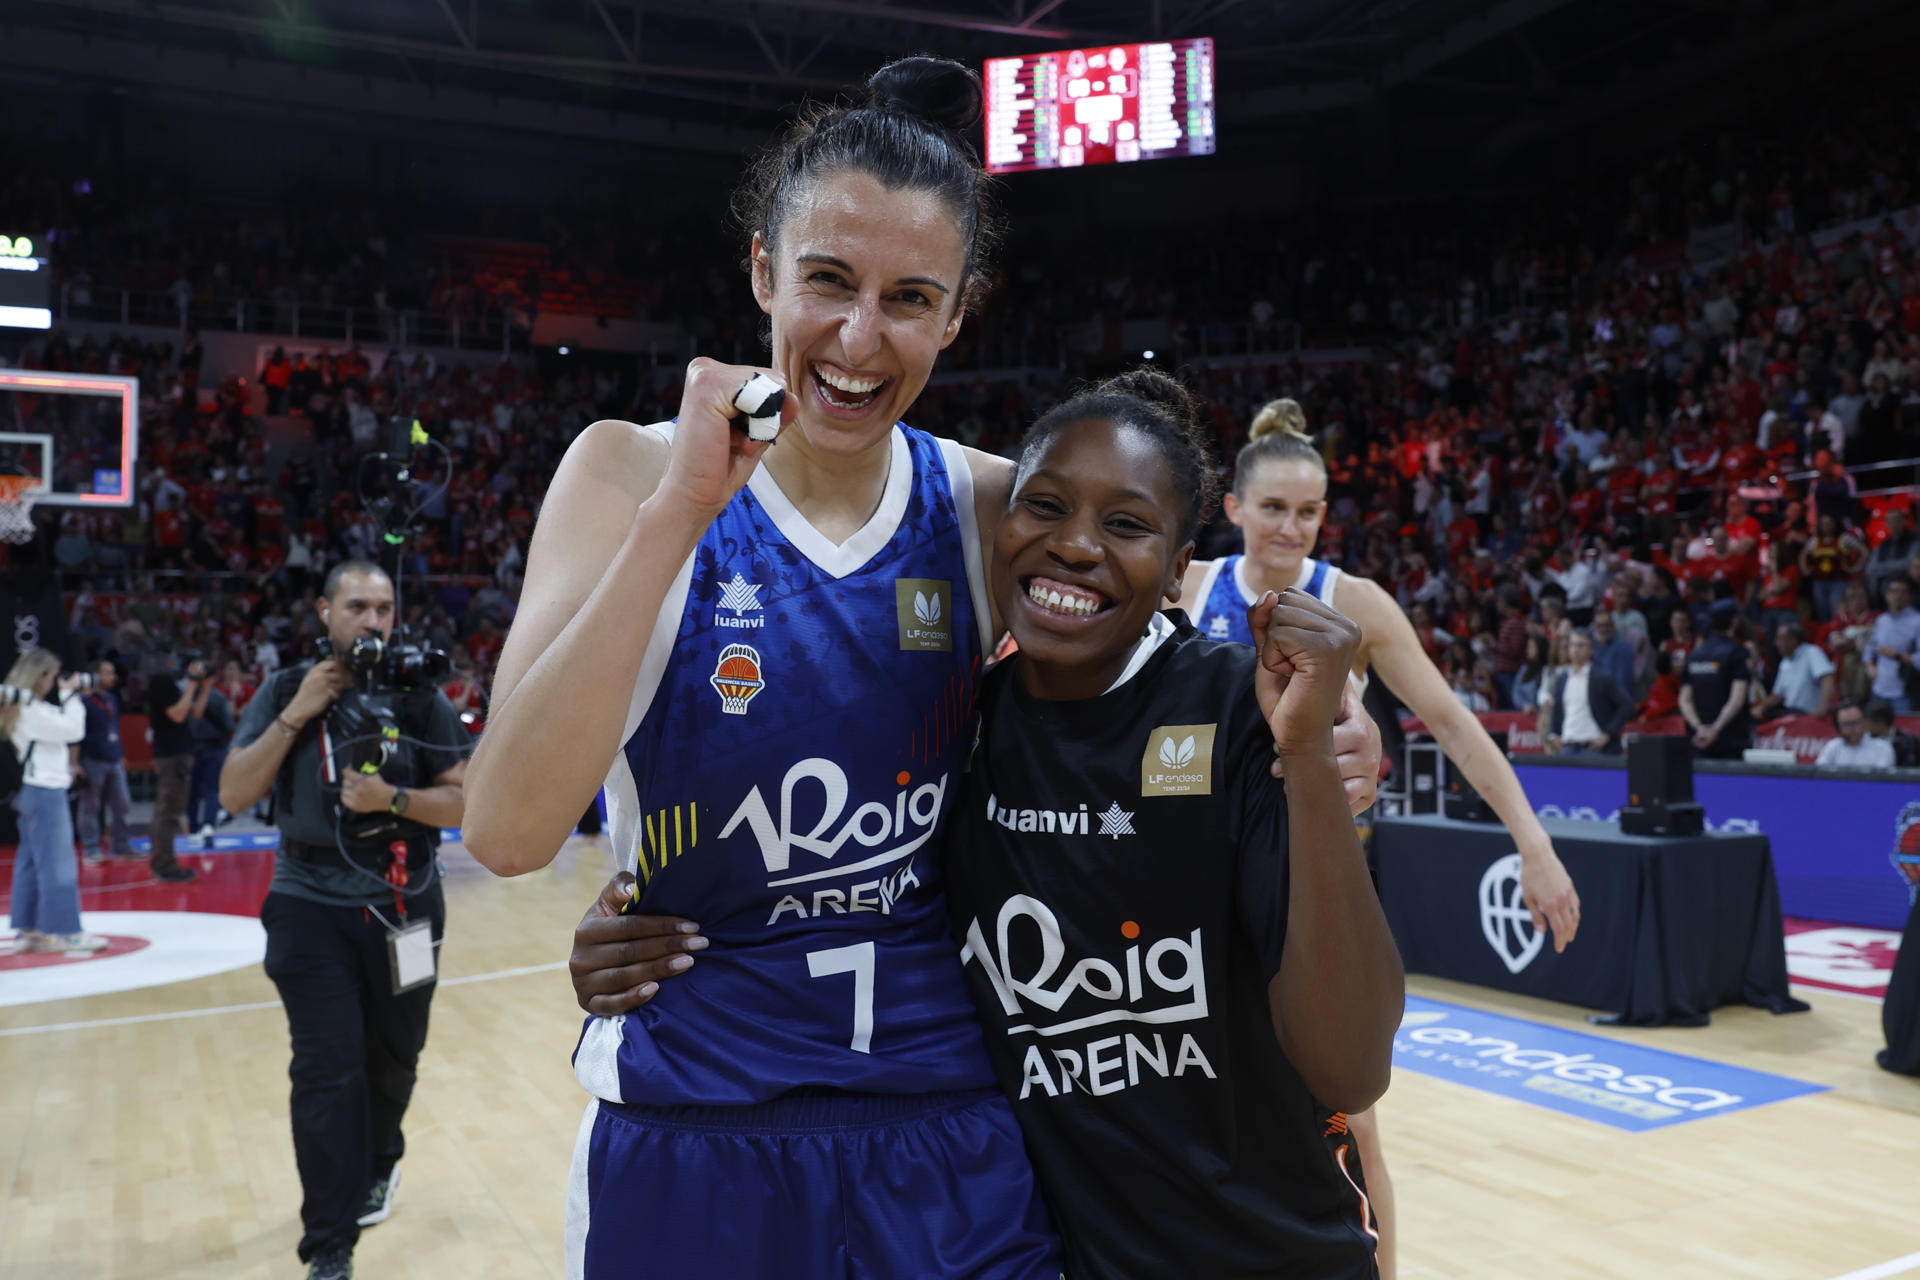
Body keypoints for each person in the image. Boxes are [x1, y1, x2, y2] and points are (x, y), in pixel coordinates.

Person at [473, 58, 1382, 1278]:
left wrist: (1314, 748)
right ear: (761, 272)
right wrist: (684, 508)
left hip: (950, 1130)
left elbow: (1167, 658)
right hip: (696, 1121)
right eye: (828, 283)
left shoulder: (990, 501)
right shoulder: (625, 472)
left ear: (958, 313)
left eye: (909, 298)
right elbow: (509, 828)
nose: (859, 338)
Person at [945, 373, 1400, 1275]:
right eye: (1044, 506)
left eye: (1125, 525)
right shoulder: (959, 724)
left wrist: (1308, 759)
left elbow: (1350, 1072)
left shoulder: (1243, 704)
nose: (1075, 546)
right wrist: (645, 912)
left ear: (1176, 566)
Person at [1180, 397, 1583, 1280]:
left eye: (1311, 510)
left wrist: (1533, 842)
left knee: (1352, 1115)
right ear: (1236, 508)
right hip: (1196, 881)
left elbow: (1449, 719)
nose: (1293, 526)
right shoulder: (1189, 588)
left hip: (1310, 886)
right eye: (1275, 507)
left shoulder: (1352, 601)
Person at [216, 560, 472, 1280]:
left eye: (384, 608)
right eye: (357, 606)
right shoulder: (282, 689)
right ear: (323, 611)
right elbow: (235, 791)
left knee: (393, 1060)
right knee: (327, 1071)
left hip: (404, 904)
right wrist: (299, 711)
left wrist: (391, 801)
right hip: (308, 905)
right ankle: (328, 1243)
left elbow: (464, 804)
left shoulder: (421, 695)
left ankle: (380, 1161)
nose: (372, 621)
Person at [5, 650, 104, 955]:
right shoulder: (29, 709)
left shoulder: (26, 707)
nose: (53, 682)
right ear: (39, 676)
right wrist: (71, 695)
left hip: (33, 791)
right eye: (50, 676)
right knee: (59, 865)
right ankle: (68, 932)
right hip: (46, 792)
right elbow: (74, 730)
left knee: (30, 863)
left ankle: (28, 931)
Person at [144, 652, 205, 883]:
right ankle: (164, 865)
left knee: (169, 809)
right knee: (168, 810)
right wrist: (191, 683)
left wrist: (204, 686)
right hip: (171, 755)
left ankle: (162, 861)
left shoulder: (173, 685)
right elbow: (178, 715)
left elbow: (195, 712)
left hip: (177, 754)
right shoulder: (161, 682)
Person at [74, 659, 136, 865]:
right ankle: (91, 849)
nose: (113, 676)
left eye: (113, 673)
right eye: (108, 673)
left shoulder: (111, 698)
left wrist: (120, 754)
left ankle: (121, 846)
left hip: (112, 757)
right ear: (96, 675)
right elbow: (75, 733)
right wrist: (76, 762)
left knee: (123, 804)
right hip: (92, 759)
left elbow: (114, 728)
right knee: (90, 806)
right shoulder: (83, 700)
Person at [1539, 629, 1633, 755]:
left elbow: (1627, 705)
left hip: (1594, 749)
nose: (1575, 649)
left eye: (1581, 645)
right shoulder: (1562, 678)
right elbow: (1558, 709)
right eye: (1572, 645)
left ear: (1591, 650)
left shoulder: (1601, 677)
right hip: (1568, 747)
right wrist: (1554, 733)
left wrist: (1608, 734)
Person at [1681, 600, 1754, 759]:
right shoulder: (1737, 654)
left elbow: (1685, 700)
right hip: (1730, 742)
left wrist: (1699, 728)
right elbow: (1737, 699)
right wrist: (1714, 729)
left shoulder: (1695, 655)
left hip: (1699, 740)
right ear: (1734, 622)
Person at [1753, 623, 1835, 720]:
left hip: (1810, 716)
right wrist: (1762, 706)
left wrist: (1823, 707)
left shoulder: (1812, 652)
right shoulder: (1784, 662)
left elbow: (1827, 677)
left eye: (1780, 638)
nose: (1776, 643)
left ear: (1792, 640)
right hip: (1791, 714)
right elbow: (1779, 695)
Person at [187, 672, 235, 837]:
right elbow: (228, 725)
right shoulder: (219, 698)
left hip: (193, 749)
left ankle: (193, 827)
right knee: (212, 789)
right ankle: (208, 825)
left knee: (192, 790)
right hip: (215, 748)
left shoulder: (188, 697)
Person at [1866, 578, 1920, 715]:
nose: (1898, 596)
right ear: (1887, 595)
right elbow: (1870, 647)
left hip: (1904, 694)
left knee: (1903, 735)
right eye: (1894, 591)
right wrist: (1869, 665)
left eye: (1903, 592)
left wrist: (1896, 655)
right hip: (1879, 691)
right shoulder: (1881, 620)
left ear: (1909, 596)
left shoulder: (1917, 621)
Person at [1815, 701, 1895, 769]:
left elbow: (1881, 781)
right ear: (1838, 726)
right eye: (1846, 724)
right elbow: (1819, 774)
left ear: (1864, 722)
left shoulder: (1882, 748)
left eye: (1854, 723)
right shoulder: (1833, 746)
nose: (1851, 729)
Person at [1864, 699, 1920, 767]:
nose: (1865, 725)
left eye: (1868, 722)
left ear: (1880, 723)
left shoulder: (1908, 742)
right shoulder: (1864, 739)